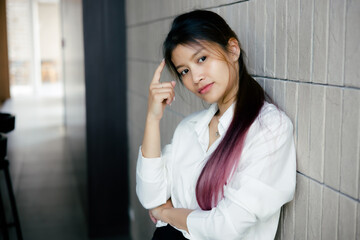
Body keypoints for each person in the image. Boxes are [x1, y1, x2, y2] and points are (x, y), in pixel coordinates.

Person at [136, 10, 296, 240]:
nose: (196, 77)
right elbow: (151, 196)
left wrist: (168, 214)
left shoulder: (269, 128)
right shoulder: (189, 128)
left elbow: (225, 227)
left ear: (233, 49)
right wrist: (152, 118)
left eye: (202, 59)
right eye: (184, 71)